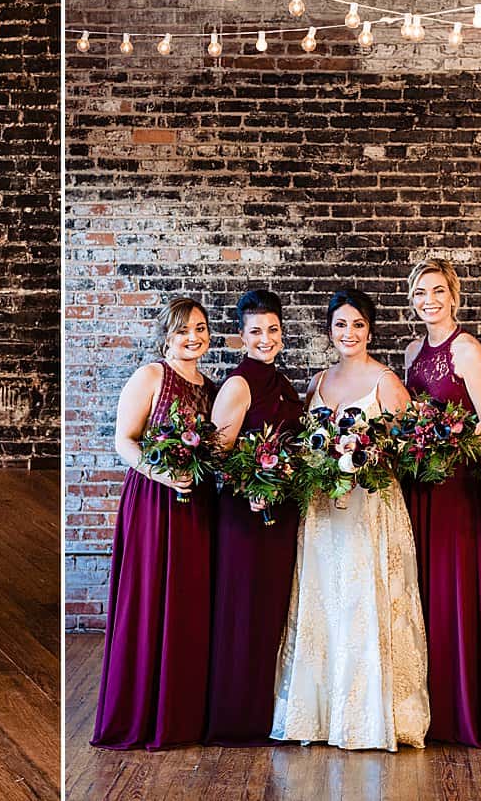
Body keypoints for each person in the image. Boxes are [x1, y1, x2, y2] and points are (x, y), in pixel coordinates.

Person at [270, 288, 428, 749]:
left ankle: (368, 718)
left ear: (370, 330)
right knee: (324, 604)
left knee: (364, 602)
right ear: (329, 330)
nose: (349, 332)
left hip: (370, 509)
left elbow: (411, 445)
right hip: (323, 511)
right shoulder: (317, 382)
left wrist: (371, 456)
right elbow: (303, 445)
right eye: (341, 324)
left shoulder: (386, 382)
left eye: (357, 324)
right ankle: (319, 717)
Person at [91, 297, 215, 747]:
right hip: (154, 500)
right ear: (166, 334)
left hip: (196, 503)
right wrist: (162, 473)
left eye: (200, 329)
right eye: (183, 330)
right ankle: (142, 712)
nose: (193, 338)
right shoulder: (151, 377)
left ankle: (181, 713)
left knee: (187, 601)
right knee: (149, 599)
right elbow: (124, 440)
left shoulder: (211, 386)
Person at [399, 258, 481, 745]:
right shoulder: (411, 350)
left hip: (455, 486)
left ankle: (460, 707)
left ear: (453, 295)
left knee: (453, 587)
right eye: (420, 293)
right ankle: (422, 704)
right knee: (420, 587)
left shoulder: (467, 349)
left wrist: (449, 456)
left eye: (437, 291)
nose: (429, 301)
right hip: (418, 484)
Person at [203, 288, 303, 743]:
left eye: (273, 330)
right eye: (256, 331)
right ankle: (235, 719)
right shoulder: (238, 385)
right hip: (246, 516)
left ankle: (268, 713)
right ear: (241, 337)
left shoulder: (282, 384)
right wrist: (251, 489)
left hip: (280, 515)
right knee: (243, 611)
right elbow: (217, 456)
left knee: (272, 613)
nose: (266, 339)